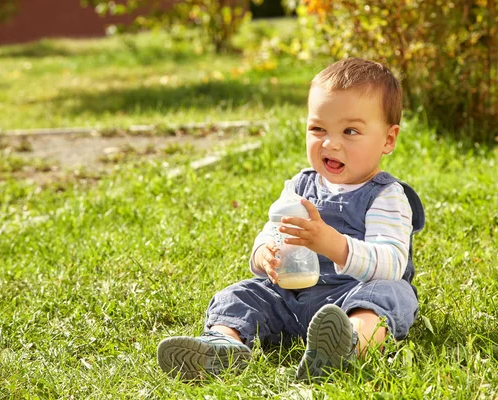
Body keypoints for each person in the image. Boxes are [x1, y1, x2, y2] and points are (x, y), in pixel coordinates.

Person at [157, 58, 425, 381]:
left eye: (350, 131)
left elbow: (392, 263)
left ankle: (346, 345)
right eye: (318, 129)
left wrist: (333, 245)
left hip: (352, 297)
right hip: (292, 297)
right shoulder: (299, 187)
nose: (331, 143)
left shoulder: (385, 196)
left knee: (388, 295)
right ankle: (223, 346)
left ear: (388, 139)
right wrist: (265, 254)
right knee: (242, 293)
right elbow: (270, 232)